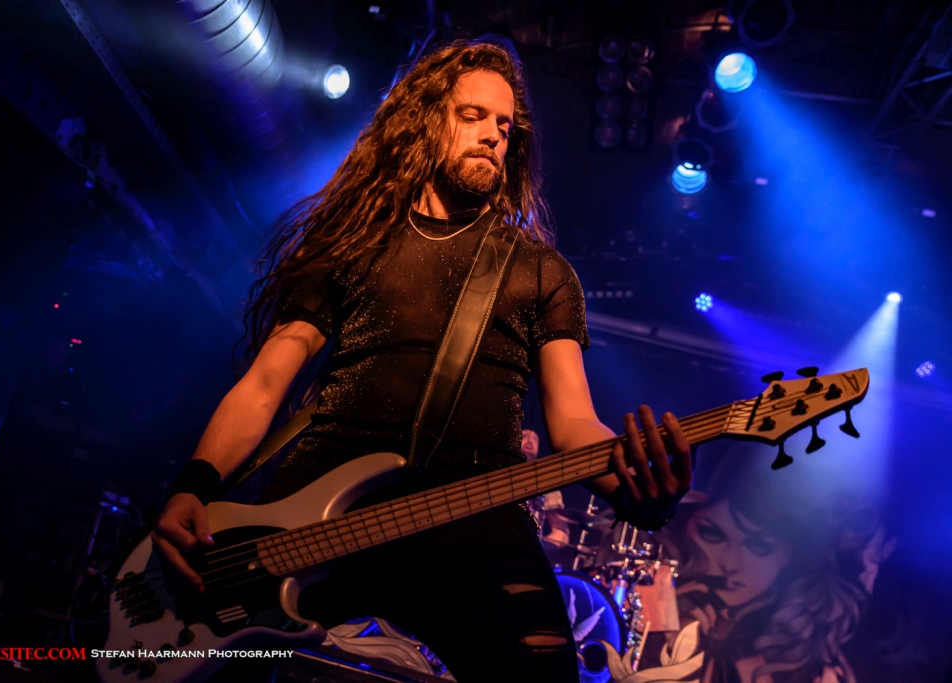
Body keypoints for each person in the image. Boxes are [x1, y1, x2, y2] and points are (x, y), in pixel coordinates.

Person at [152, 41, 692, 682]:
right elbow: (265, 383)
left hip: (472, 513)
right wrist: (194, 486)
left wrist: (641, 495)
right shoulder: (352, 242)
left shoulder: (541, 271)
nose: (493, 136)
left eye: (505, 126)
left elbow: (574, 424)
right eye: (473, 116)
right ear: (426, 121)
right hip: (317, 512)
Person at [626, 443, 892, 683]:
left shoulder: (802, 656)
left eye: (759, 546)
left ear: (788, 555)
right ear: (687, 523)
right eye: (711, 533)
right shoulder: (645, 580)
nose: (730, 563)